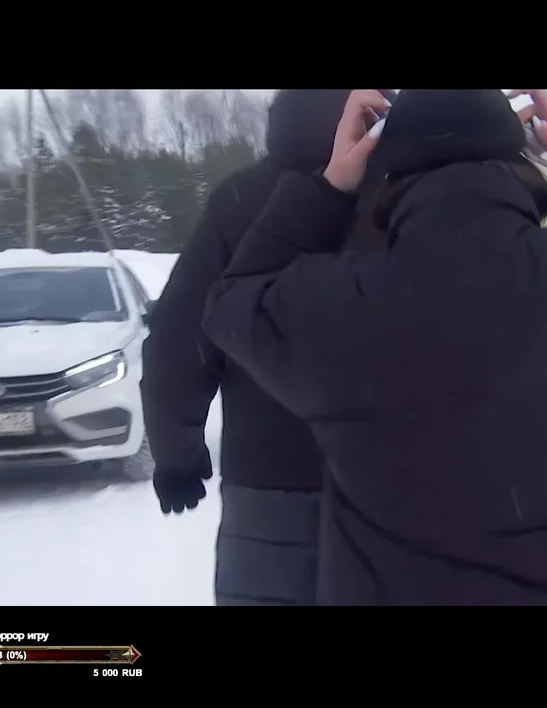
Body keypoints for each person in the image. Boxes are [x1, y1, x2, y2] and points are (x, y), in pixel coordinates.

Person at [202, 89, 547, 605]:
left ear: (386, 176)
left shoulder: (341, 310)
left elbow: (234, 300)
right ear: (519, 163)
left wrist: (327, 188)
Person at [141, 89, 393, 606]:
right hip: (398, 493)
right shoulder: (413, 196)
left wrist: (176, 455)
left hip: (269, 489)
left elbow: (179, 336)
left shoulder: (241, 200)